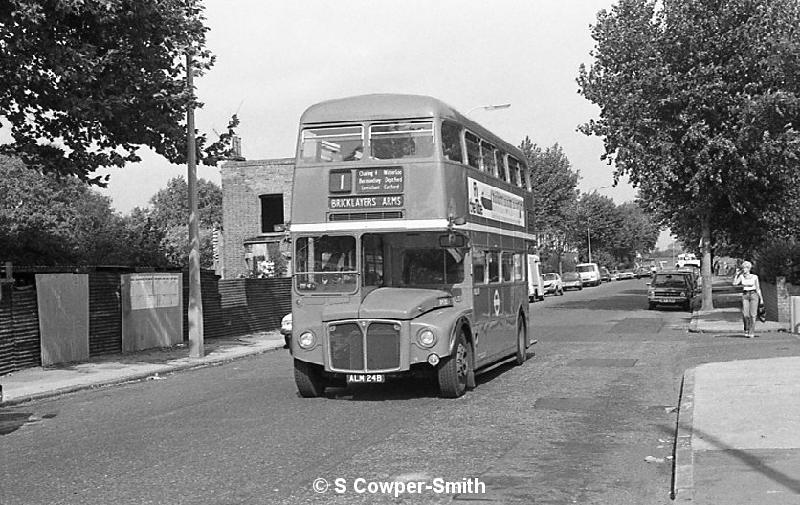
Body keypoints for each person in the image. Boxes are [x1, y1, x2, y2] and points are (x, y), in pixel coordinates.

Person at [732, 260, 762, 338]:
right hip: (745, 295)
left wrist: (761, 298)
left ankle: (751, 332)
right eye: (743, 268)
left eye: (745, 268)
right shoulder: (741, 277)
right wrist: (736, 275)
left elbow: (758, 288)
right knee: (745, 314)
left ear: (749, 269)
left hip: (754, 294)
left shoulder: (755, 277)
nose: (744, 269)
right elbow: (734, 283)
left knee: (753, 314)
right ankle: (746, 329)